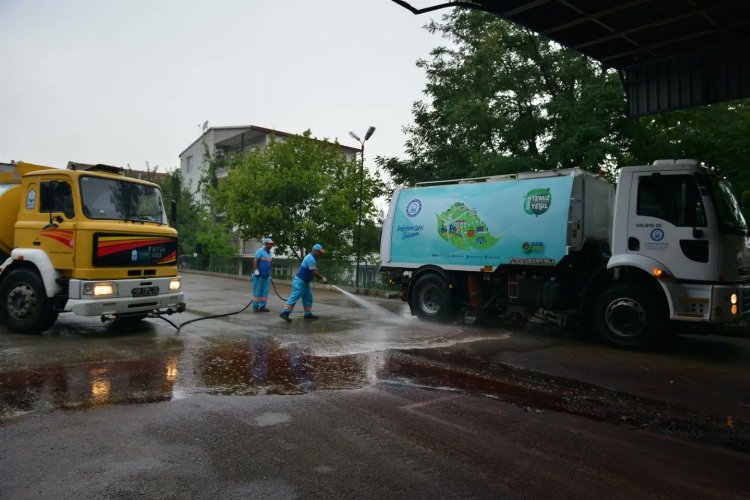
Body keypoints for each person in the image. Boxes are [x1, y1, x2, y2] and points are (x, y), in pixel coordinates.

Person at [280, 243, 327, 322]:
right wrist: (322, 278)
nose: (320, 254)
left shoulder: (312, 258)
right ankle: (285, 313)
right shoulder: (311, 258)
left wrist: (321, 278)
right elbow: (314, 272)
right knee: (294, 297)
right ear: (315, 251)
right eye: (319, 252)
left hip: (305, 282)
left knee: (308, 297)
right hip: (300, 281)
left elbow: (312, 271)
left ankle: (307, 314)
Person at [252, 237, 274, 312]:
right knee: (258, 291)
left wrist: (270, 274)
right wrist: (256, 271)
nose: (271, 245)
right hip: (259, 275)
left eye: (272, 244)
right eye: (270, 244)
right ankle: (255, 307)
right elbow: (255, 261)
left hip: (267, 275)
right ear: (266, 244)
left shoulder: (270, 253)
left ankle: (262, 306)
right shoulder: (260, 251)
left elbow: (269, 264)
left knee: (265, 291)